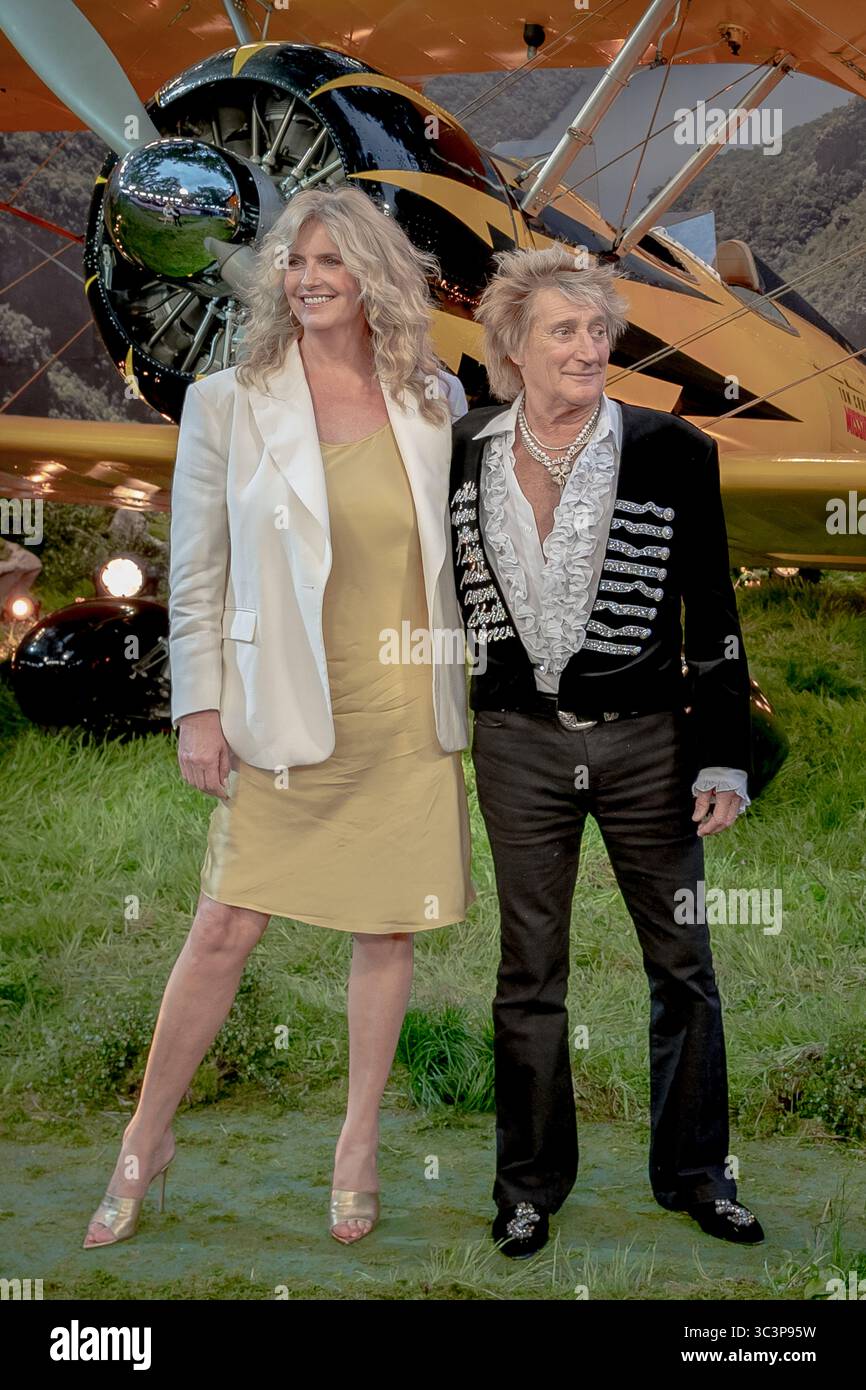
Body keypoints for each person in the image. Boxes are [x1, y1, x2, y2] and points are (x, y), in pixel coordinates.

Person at [83, 185, 475, 1250]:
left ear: (372, 279)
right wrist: (198, 708)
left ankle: (355, 1142)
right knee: (224, 925)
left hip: (402, 699)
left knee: (383, 925)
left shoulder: (430, 396)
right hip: (280, 700)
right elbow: (197, 571)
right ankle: (143, 1138)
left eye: (330, 262)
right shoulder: (225, 402)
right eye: (293, 262)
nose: (306, 278)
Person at [448, 244, 765, 1256]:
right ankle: (528, 1185)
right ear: (513, 343)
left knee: (682, 964)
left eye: (597, 330)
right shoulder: (460, 447)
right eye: (563, 330)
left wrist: (720, 754)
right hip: (514, 744)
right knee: (527, 972)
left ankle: (695, 1175)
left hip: (646, 743)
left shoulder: (671, 447)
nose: (588, 349)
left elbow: (709, 609)